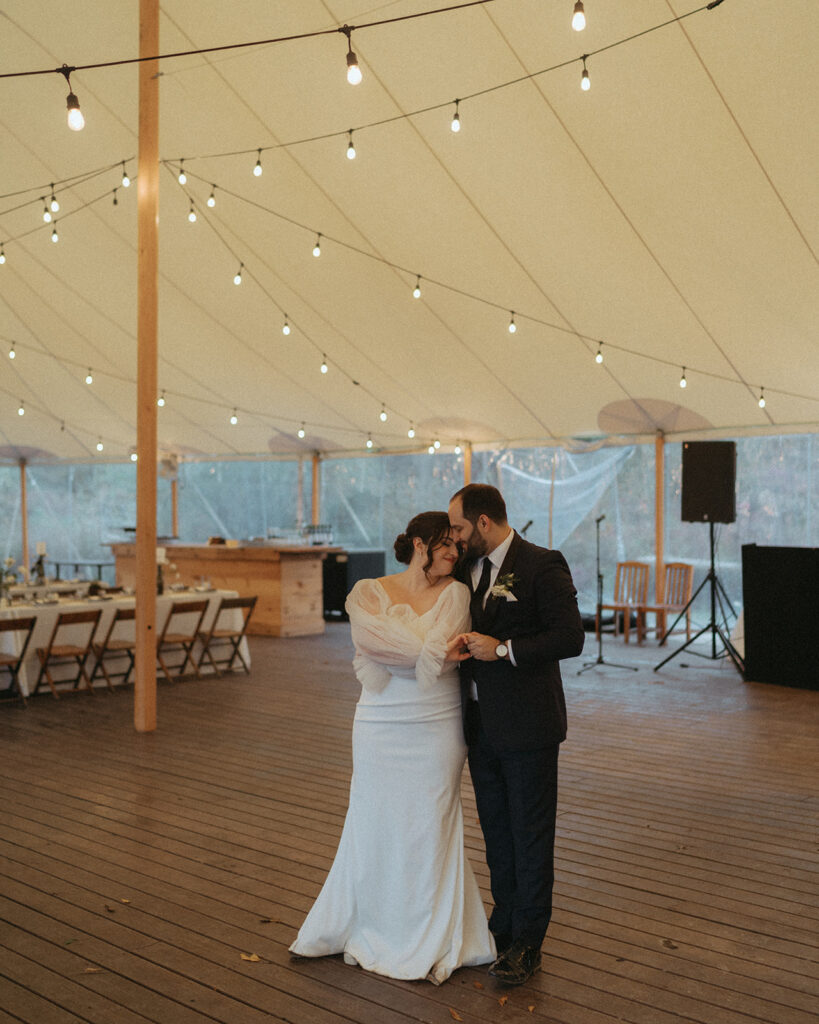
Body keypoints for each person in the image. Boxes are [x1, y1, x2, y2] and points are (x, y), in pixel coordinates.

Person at [289, 511, 496, 984]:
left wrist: (411, 650)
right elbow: (375, 641)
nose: (454, 552)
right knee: (374, 820)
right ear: (420, 544)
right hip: (380, 722)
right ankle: (371, 923)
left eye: (458, 547)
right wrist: (425, 650)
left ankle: (427, 933)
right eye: (445, 544)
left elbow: (441, 660)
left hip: (436, 725)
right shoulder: (368, 591)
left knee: (430, 822)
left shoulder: (457, 594)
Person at [448, 483, 585, 986]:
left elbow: (570, 636)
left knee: (530, 835)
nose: (455, 539)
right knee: (497, 834)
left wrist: (502, 649)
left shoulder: (541, 564)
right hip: (481, 729)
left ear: (484, 523)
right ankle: (503, 925)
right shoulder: (468, 569)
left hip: (528, 728)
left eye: (460, 528)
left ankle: (529, 942)